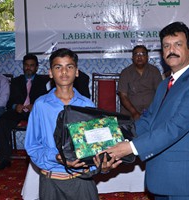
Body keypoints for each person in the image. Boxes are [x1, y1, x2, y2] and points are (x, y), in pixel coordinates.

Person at [105, 22, 189, 199]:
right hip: (159, 175)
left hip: (182, 180)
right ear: (162, 53)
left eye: (178, 44)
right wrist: (114, 135)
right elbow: (149, 120)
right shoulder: (164, 85)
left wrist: (131, 147)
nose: (172, 50)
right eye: (166, 46)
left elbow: (175, 127)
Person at [24, 48, 121, 200]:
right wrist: (56, 157)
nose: (64, 72)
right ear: (50, 72)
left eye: (69, 67)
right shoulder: (41, 105)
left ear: (76, 72)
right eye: (58, 67)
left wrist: (101, 164)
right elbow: (32, 146)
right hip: (51, 181)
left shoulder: (87, 105)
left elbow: (95, 145)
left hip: (81, 179)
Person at [0, 54, 49, 170]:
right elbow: (8, 102)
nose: (28, 68)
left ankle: (37, 157)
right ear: (23, 66)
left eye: (31, 66)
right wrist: (15, 106)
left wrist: (35, 106)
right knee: (2, 122)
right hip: (18, 111)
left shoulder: (43, 81)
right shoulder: (16, 81)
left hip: (34, 112)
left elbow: (47, 101)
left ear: (36, 67)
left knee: (41, 122)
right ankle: (5, 158)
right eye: (26, 65)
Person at [118, 45, 162, 120]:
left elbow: (160, 93)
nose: (139, 57)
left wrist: (154, 111)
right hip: (130, 111)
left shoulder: (154, 71)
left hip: (151, 111)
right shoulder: (125, 73)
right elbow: (123, 96)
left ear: (147, 57)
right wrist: (134, 112)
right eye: (136, 54)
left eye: (142, 54)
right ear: (132, 57)